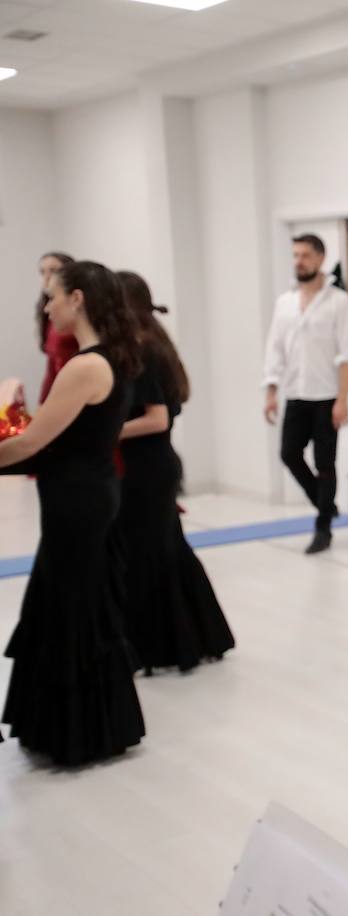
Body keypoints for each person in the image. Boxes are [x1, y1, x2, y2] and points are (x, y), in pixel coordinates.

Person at [0, 260, 146, 766]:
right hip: (86, 493)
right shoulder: (106, 359)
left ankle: (77, 733)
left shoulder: (85, 366)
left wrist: (4, 409)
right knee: (77, 602)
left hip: (78, 501)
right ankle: (83, 728)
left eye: (53, 296)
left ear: (78, 299)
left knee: (71, 606)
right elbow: (50, 434)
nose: (47, 305)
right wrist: (16, 416)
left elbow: (30, 443)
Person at [114, 271, 234, 673]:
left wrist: (105, 430)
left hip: (146, 466)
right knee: (167, 552)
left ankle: (162, 648)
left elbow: (157, 418)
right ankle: (197, 638)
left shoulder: (142, 351)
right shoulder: (153, 342)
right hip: (153, 463)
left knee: (150, 556)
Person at [262, 234, 348, 554]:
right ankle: (325, 502)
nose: (298, 261)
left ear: (319, 258)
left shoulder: (338, 302)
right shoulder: (285, 303)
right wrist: (271, 390)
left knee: (325, 463)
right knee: (289, 454)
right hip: (295, 392)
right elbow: (274, 349)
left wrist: (342, 399)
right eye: (294, 255)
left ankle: (323, 527)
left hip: (327, 395)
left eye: (304, 255)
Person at [35, 251, 78, 403]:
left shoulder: (77, 314)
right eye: (42, 272)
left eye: (53, 270)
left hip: (76, 394)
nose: (47, 277)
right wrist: (43, 404)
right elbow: (51, 369)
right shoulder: (50, 315)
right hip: (58, 395)